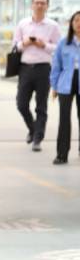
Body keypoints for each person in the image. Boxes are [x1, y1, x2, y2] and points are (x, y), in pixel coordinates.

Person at [13, 0, 61, 152]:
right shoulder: (23, 24)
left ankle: (37, 139)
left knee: (41, 106)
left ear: (47, 6)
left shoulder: (53, 26)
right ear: (32, 5)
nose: (40, 5)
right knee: (21, 104)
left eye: (43, 3)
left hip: (43, 69)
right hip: (25, 68)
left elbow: (58, 48)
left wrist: (44, 45)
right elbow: (15, 46)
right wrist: (25, 43)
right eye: (37, 2)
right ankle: (33, 129)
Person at [50, 12, 80, 165]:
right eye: (76, 20)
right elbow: (56, 65)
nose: (79, 23)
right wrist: (54, 86)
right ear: (71, 23)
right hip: (65, 83)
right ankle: (62, 154)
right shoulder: (63, 43)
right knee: (64, 120)